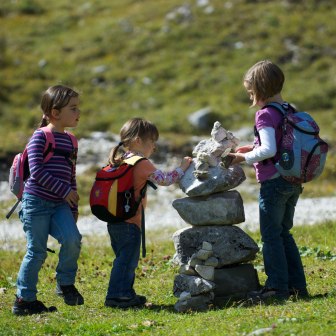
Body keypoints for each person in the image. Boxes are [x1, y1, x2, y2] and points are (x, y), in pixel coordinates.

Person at [229, 60, 308, 303]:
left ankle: (276, 289)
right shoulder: (289, 110)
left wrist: (242, 157)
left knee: (271, 236)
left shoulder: (264, 114)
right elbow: (279, 145)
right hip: (292, 180)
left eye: (251, 92)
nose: (251, 97)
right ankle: (297, 287)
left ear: (259, 89)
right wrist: (253, 147)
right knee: (284, 233)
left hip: (273, 183)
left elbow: (269, 150)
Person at [105, 117, 192, 309]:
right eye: (152, 141)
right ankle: (117, 296)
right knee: (127, 261)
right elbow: (165, 180)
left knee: (123, 259)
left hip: (113, 220)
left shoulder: (119, 160)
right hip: (130, 222)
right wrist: (183, 167)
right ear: (138, 141)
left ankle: (125, 293)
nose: (154, 146)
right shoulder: (140, 162)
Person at [12, 85, 84, 315]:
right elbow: (37, 172)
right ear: (55, 112)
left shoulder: (72, 141)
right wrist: (64, 191)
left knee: (73, 239)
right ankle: (24, 300)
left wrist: (72, 203)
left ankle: (65, 284)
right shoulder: (39, 137)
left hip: (60, 204)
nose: (78, 112)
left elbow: (70, 173)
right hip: (36, 202)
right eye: (73, 108)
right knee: (37, 251)